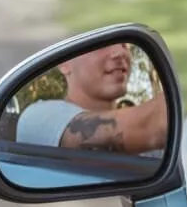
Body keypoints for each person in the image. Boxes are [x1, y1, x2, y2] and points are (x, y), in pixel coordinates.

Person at [16, 43, 167, 154]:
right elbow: (152, 126)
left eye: (124, 45)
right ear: (65, 64)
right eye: (102, 44)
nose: (120, 53)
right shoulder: (37, 117)